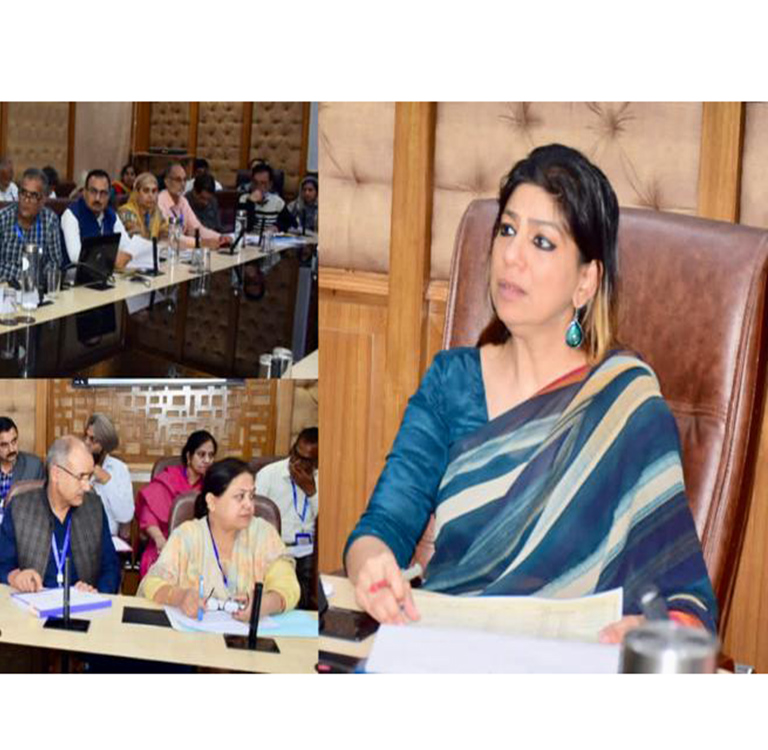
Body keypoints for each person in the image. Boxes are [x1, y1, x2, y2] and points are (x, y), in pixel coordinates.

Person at [344, 143, 718, 641]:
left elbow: (684, 601)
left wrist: (647, 630)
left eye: (542, 241)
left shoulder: (626, 404)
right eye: (507, 230)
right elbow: (383, 525)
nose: (511, 256)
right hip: (445, 648)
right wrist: (370, 563)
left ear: (586, 282)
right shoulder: (452, 382)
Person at [139, 458, 299, 619]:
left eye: (251, 496)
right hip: (194, 632)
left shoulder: (263, 534)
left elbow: (288, 584)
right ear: (212, 501)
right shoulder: (187, 535)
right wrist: (180, 597)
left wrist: (265, 603)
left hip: (249, 633)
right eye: (240, 496)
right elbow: (152, 583)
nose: (249, 505)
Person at [0, 435, 120, 594]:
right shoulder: (19, 509)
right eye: (81, 477)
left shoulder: (94, 508)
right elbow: (1, 569)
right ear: (56, 474)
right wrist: (16, 577)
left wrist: (96, 592)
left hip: (83, 605)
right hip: (32, 604)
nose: (87, 487)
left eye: (89, 477)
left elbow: (111, 567)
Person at [136, 430, 217, 576]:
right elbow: (148, 515)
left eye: (211, 456)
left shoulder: (211, 486)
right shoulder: (169, 478)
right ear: (189, 456)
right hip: (164, 541)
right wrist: (159, 539)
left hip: (198, 548)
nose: (207, 460)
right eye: (201, 454)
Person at [255, 427, 318, 606]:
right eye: (295, 454)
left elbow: (327, 522)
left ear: (317, 462)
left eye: (306, 460)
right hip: (277, 550)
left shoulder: (322, 478)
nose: (297, 462)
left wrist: (311, 491)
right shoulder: (268, 474)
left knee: (307, 601)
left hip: (309, 552)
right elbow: (254, 516)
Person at [0, 168, 66, 284]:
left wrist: (41, 280)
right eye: (23, 193)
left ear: (43, 200)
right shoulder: (0, 220)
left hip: (36, 287)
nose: (26, 200)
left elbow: (54, 262)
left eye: (33, 195)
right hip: (2, 287)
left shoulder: (50, 221)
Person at [0, 416, 45, 547]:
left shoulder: (33, 466)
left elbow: (40, 510)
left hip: (19, 539)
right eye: (4, 445)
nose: (12, 449)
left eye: (14, 441)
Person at [61, 169, 152, 268]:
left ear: (109, 195)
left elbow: (126, 246)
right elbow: (76, 257)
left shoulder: (111, 215)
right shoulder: (71, 215)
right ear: (84, 192)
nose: (98, 198)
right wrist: (114, 258)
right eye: (93, 191)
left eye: (103, 193)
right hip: (74, 275)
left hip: (104, 273)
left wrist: (128, 253)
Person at [83, 413, 133, 536]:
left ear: (105, 443)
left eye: (92, 439)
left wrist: (107, 482)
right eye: (86, 436)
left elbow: (125, 516)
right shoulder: (75, 464)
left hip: (108, 538)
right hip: (79, 536)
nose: (86, 442)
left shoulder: (119, 469)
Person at [159, 163, 231, 249]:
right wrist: (201, 243)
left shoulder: (183, 201)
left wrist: (220, 237)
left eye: (184, 180)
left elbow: (197, 228)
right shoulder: (160, 202)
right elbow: (173, 236)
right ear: (167, 181)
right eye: (178, 180)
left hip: (181, 251)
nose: (183, 184)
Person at [116, 172, 170, 269]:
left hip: (150, 262)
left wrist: (161, 245)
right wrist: (157, 247)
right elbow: (138, 241)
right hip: (131, 264)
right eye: (146, 191)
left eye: (154, 191)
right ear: (136, 193)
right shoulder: (126, 212)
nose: (150, 195)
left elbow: (166, 236)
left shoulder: (157, 212)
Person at [239, 162, 291, 234]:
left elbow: (290, 223)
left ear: (270, 184)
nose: (259, 187)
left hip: (269, 238)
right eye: (255, 183)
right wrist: (250, 203)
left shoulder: (278, 202)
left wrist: (277, 227)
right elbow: (246, 227)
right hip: (249, 238)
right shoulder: (243, 199)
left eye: (263, 183)